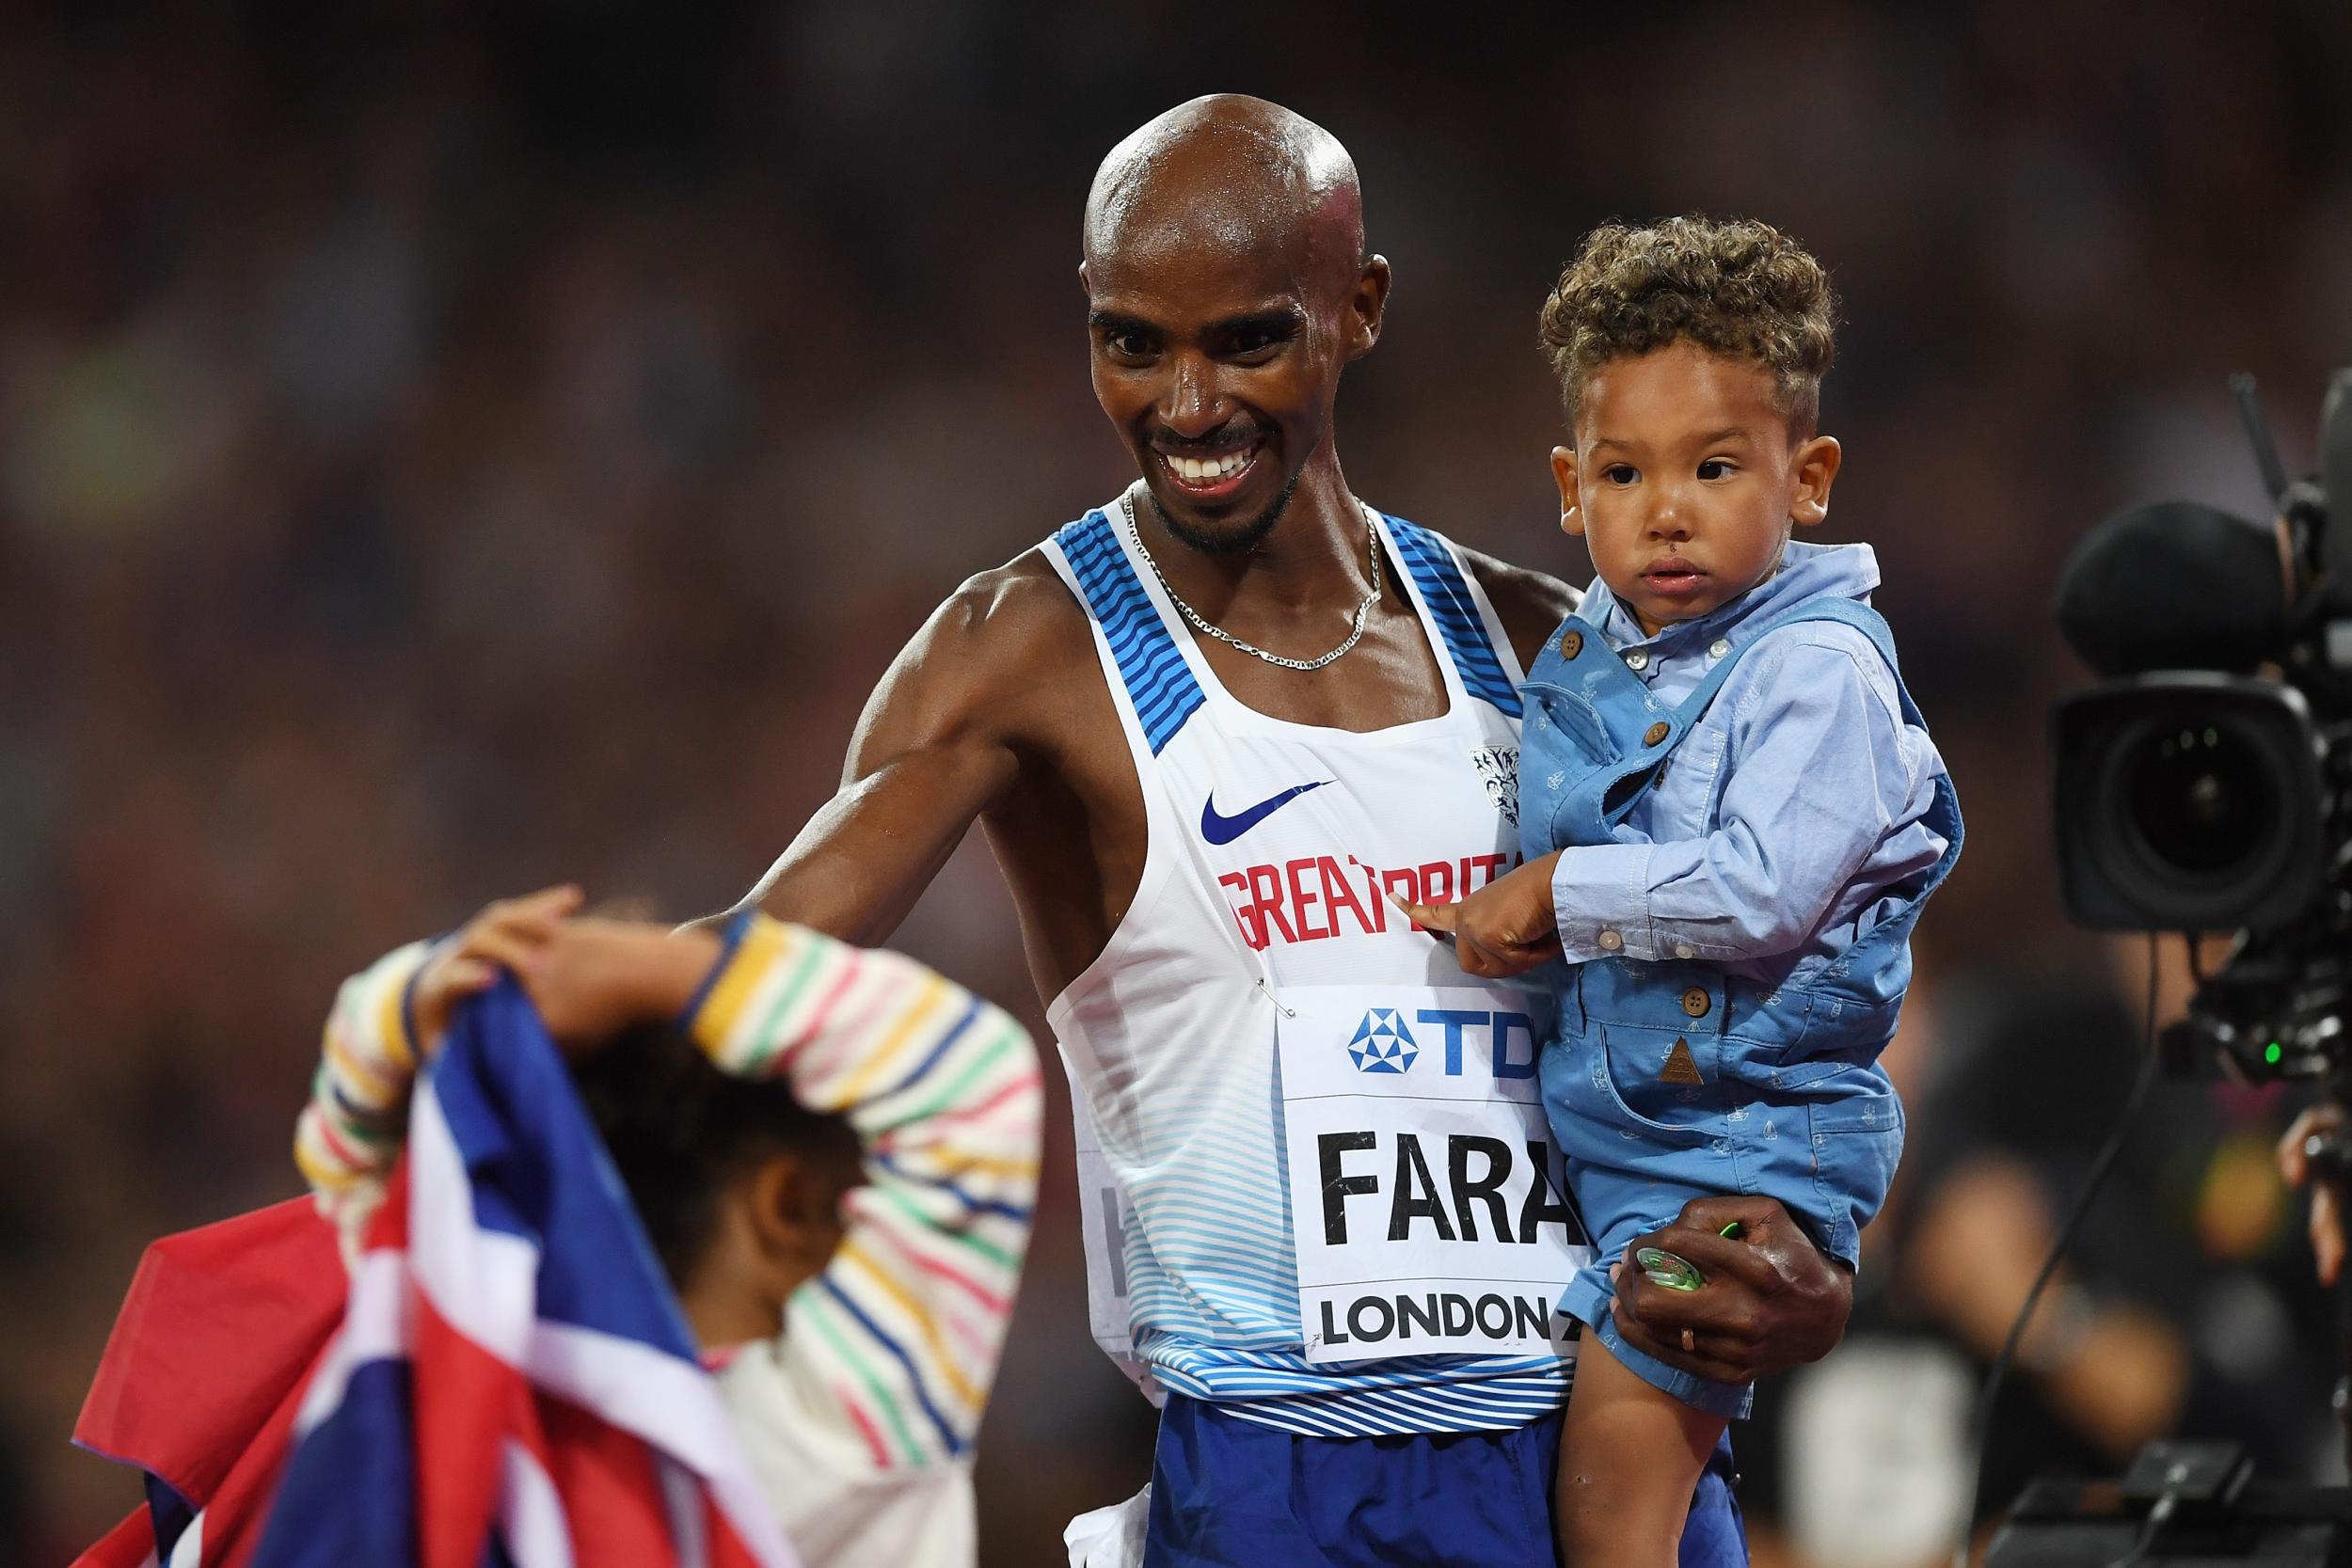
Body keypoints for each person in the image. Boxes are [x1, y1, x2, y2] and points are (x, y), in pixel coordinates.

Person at [719, 98, 1857, 1567]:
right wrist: (496, 1049)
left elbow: (1746, 1010)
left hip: (1600, 1461)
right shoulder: (1032, 650)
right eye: (1133, 342)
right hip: (1279, 1486)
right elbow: (752, 959)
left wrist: (1813, 1261)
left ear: (1357, 307)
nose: (1186, 405)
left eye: (1247, 339)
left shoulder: (1543, 647)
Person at [1395, 214, 1963, 1565]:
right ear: (1566, 483)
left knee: (1611, 1521)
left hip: (1735, 1156)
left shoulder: (1817, 667)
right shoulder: (1592, 647)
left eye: (1714, 467)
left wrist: (1553, 894)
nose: (1664, 509)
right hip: (1613, 1144)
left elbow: (1764, 894)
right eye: (1623, 471)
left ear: (1808, 476)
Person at [294, 885, 1043, 1568]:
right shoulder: (830, 1437)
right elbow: (971, 1083)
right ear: (787, 1206)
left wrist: (447, 997)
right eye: (857, 1192)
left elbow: (350, 1148)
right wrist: (649, 973)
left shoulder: (456, 1404)